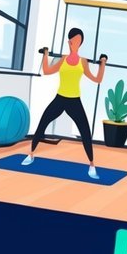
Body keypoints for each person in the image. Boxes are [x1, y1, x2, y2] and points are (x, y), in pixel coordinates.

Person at [23, 27, 107, 179]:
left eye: (79, 41)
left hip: (75, 101)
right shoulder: (62, 59)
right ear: (69, 42)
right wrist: (46, 55)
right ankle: (31, 154)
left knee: (85, 133)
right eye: (75, 40)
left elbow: (97, 80)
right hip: (60, 99)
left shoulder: (83, 62)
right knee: (43, 123)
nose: (77, 43)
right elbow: (47, 71)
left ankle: (92, 165)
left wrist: (103, 63)